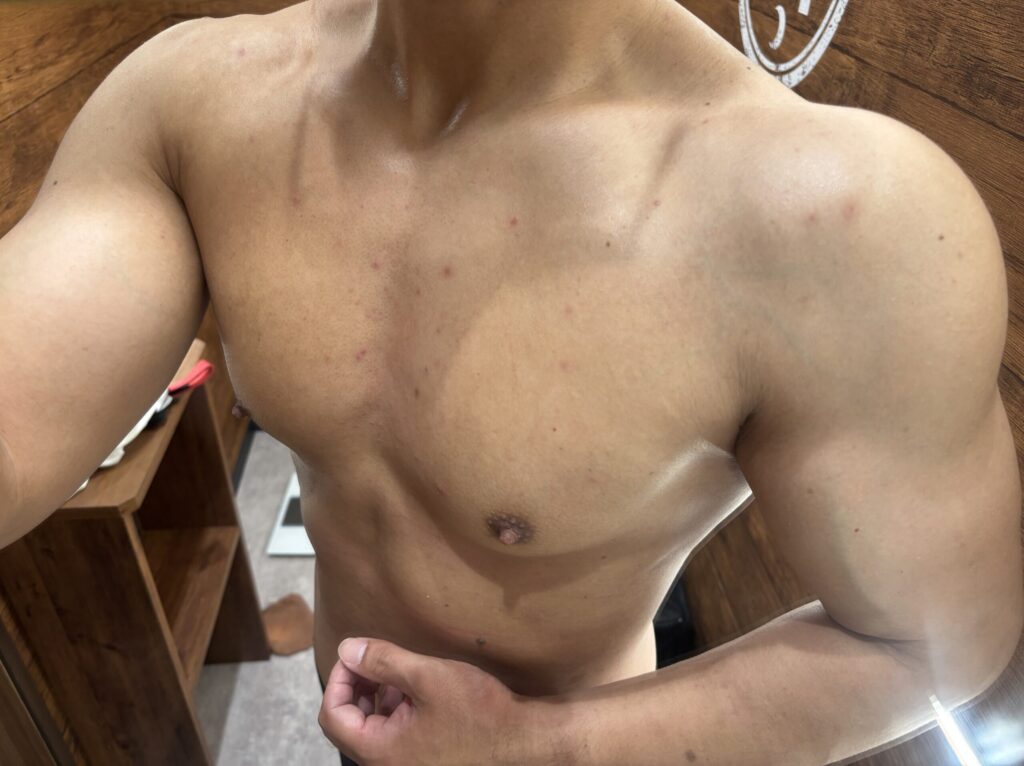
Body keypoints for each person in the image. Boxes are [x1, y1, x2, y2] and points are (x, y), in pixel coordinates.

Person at [1, 1, 1021, 763]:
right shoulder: (195, 104)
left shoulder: (834, 219)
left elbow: (935, 643)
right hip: (351, 730)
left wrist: (536, 748)